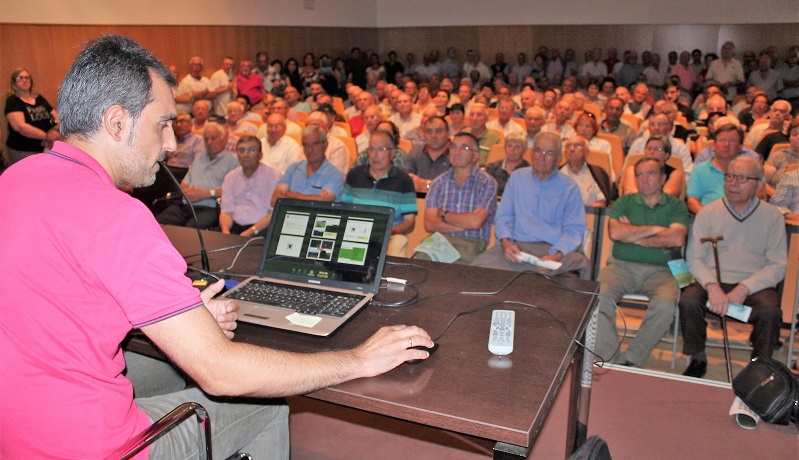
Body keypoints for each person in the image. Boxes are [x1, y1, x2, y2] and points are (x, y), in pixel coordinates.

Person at [0, 34, 433, 459]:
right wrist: (358, 359)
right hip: (96, 446)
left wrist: (186, 319)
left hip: (15, 431)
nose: (171, 144)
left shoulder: (15, 180)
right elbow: (220, 374)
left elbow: (63, 295)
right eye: (163, 124)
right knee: (261, 406)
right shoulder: (116, 215)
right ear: (117, 122)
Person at [679, 156, 786, 378]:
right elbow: (694, 259)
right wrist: (712, 286)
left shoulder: (772, 216)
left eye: (742, 178)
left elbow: (777, 265)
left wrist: (745, 287)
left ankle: (760, 366)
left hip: (752, 283)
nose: (733, 183)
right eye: (730, 176)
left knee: (770, 311)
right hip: (712, 280)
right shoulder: (707, 212)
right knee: (689, 300)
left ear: (758, 184)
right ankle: (697, 357)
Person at [594, 157, 690, 367]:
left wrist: (633, 233)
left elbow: (676, 239)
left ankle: (632, 359)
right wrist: (658, 229)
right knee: (597, 298)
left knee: (665, 307)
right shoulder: (625, 202)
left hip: (662, 271)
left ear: (663, 178)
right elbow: (616, 232)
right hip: (620, 267)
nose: (644, 179)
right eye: (639, 175)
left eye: (651, 173)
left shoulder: (676, 206)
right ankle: (611, 358)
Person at [471, 132, 589, 277]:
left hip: (553, 250)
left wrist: (557, 255)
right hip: (517, 248)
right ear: (532, 153)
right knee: (477, 268)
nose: (542, 157)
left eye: (549, 153)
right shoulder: (517, 178)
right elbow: (503, 216)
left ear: (559, 158)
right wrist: (506, 244)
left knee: (577, 263)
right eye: (538, 151)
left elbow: (574, 229)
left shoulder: (569, 187)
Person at [421, 131, 498, 264]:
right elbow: (429, 224)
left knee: (458, 268)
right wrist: (466, 223)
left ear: (475, 156)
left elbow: (476, 222)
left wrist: (444, 215)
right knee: (420, 262)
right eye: (453, 147)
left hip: (471, 243)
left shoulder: (487, 182)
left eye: (464, 148)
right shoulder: (438, 182)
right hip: (439, 241)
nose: (457, 152)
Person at [340, 129, 417, 257]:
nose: (375, 155)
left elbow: (409, 222)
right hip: (356, 234)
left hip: (390, 236)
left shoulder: (404, 180)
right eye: (371, 149)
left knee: (399, 242)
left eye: (381, 150)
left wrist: (390, 231)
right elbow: (343, 210)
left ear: (392, 153)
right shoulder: (355, 175)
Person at [156, 122, 240, 229]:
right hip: (185, 204)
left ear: (225, 139)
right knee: (157, 224)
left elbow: (233, 190)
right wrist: (189, 193)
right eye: (206, 139)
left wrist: (204, 194)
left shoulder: (233, 161)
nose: (209, 142)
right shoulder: (199, 158)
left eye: (213, 138)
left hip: (210, 208)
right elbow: (184, 183)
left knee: (190, 234)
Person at [219, 135, 281, 237]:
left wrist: (250, 232)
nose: (246, 154)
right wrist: (225, 232)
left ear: (260, 155)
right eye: (241, 150)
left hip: (261, 228)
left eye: (251, 150)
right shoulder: (230, 177)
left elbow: (272, 214)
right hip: (234, 226)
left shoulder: (274, 176)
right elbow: (226, 212)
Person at [271, 125, 344, 204]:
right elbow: (274, 200)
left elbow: (323, 202)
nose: (310, 149)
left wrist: (293, 195)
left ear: (325, 145)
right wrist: (312, 198)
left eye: (315, 144)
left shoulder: (335, 174)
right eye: (306, 145)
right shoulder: (293, 168)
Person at [687, 123, 747, 214]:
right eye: (722, 140)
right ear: (714, 146)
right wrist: (709, 219)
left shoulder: (749, 171)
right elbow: (692, 201)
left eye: (732, 141)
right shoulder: (700, 169)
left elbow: (759, 197)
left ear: (740, 147)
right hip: (708, 220)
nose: (726, 145)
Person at [4, 68, 59, 164]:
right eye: (20, 78)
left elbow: (56, 116)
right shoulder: (13, 101)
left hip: (48, 146)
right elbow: (20, 127)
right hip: (25, 149)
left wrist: (54, 134)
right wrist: (48, 137)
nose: (24, 80)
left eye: (27, 78)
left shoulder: (39, 98)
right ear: (14, 83)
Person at [559, 135, 616, 207]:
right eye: (568, 146)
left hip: (590, 215)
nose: (572, 149)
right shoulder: (555, 174)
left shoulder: (598, 174)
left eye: (577, 146)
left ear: (587, 152)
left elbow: (602, 202)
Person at [620, 135, 685, 198]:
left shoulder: (675, 174)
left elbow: (668, 195)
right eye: (649, 148)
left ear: (667, 154)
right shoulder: (632, 170)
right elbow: (630, 192)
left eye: (657, 149)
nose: (651, 152)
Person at [404, 116, 452, 192]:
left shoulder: (457, 155)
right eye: (429, 131)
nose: (433, 136)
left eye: (438, 131)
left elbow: (456, 185)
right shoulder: (415, 152)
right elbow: (405, 180)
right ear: (423, 134)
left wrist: (425, 184)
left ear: (448, 133)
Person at [485, 131, 530, 195]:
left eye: (517, 147)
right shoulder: (492, 168)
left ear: (524, 150)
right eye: (509, 146)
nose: (512, 150)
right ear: (505, 148)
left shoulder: (529, 172)